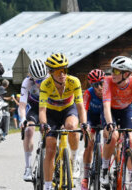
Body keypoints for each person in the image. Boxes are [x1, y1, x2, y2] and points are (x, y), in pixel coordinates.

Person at [39, 53, 88, 190]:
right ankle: (48, 185)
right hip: (51, 113)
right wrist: (44, 124)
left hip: (68, 109)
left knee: (72, 126)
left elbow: (80, 106)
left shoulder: (74, 81)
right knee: (50, 148)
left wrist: (83, 123)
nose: (62, 74)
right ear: (50, 73)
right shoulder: (45, 84)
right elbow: (42, 110)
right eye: (58, 71)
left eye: (65, 70)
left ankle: (74, 158)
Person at [100, 56, 132, 188]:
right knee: (114, 135)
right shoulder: (108, 81)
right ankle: (104, 168)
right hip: (110, 111)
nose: (112, 73)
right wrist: (110, 123)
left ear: (126, 74)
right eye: (112, 70)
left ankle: (129, 175)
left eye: (116, 71)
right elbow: (106, 106)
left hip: (126, 110)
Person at [19, 59, 47, 182]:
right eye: (37, 81)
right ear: (31, 77)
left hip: (49, 107)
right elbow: (22, 105)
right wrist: (22, 119)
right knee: (29, 130)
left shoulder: (51, 79)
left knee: (49, 131)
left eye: (42, 80)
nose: (40, 83)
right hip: (34, 107)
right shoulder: (27, 82)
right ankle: (28, 167)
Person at [80, 69, 105, 190]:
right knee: (89, 144)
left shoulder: (108, 91)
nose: (100, 87)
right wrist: (84, 124)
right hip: (91, 119)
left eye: (102, 83)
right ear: (92, 85)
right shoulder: (88, 93)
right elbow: (84, 110)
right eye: (96, 85)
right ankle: (85, 177)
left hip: (104, 118)